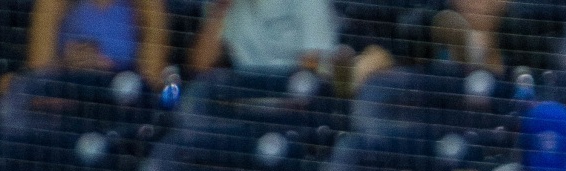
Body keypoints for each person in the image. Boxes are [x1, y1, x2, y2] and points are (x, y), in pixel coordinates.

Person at [187, 0, 336, 72]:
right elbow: (200, 65)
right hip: (245, 100)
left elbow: (313, 61)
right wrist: (220, 10)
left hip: (295, 102)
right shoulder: (228, 6)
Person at [28, 0, 168, 76]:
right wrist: (66, 64)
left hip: (123, 99)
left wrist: (110, 69)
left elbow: (152, 76)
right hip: (68, 92)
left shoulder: (148, 5)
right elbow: (38, 69)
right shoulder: (51, 4)